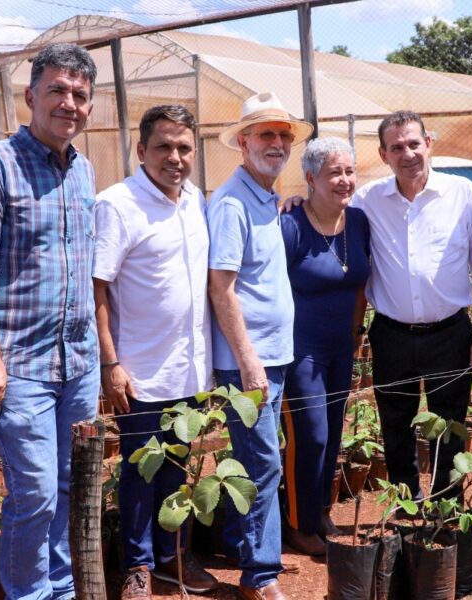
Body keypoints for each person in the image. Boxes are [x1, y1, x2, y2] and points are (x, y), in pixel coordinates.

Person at [0, 43, 98, 600]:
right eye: (57, 90)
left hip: (77, 362)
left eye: (80, 95)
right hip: (21, 365)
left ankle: (59, 589)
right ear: (30, 95)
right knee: (33, 492)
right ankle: (29, 594)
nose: (69, 103)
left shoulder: (83, 171)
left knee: (67, 485)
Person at [92, 105, 219, 599]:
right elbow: (98, 288)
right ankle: (137, 564)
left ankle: (172, 555)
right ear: (141, 150)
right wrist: (111, 363)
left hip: (190, 368)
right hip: (141, 370)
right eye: (164, 146)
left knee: (178, 464)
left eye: (184, 147)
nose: (175, 157)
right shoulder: (117, 204)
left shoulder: (196, 201)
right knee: (139, 469)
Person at [353, 111, 472, 501]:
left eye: (414, 143)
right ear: (384, 155)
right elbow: (327, 213)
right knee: (394, 423)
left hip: (449, 334)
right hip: (391, 334)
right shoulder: (368, 200)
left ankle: (446, 505)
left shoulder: (461, 194)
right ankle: (404, 501)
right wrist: (298, 200)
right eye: (396, 147)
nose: (408, 153)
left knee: (449, 424)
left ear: (429, 144)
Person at [208, 91, 312, 600]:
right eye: (265, 134)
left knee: (260, 456)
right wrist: (248, 361)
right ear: (243, 143)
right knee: (262, 463)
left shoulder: (266, 198)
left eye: (282, 135)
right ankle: (259, 575)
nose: (276, 143)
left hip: (274, 354)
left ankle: (241, 546)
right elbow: (221, 286)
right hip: (250, 361)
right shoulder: (232, 203)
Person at [278, 137, 370, 556]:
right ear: (311, 179)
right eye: (335, 172)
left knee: (333, 433)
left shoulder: (359, 223)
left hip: (341, 348)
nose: (345, 180)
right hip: (301, 351)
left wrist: (355, 334)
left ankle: (319, 510)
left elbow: (360, 286)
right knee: (309, 435)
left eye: (349, 171)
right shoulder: (291, 225)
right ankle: (298, 524)